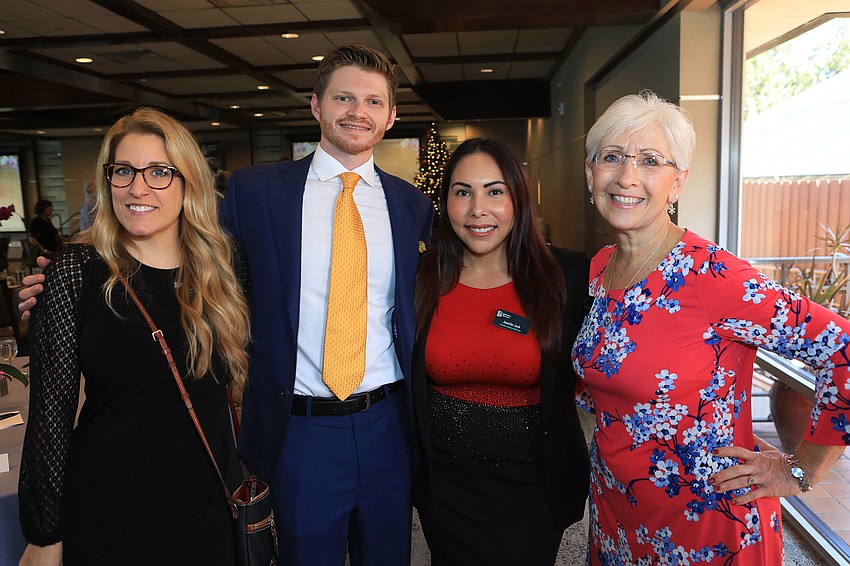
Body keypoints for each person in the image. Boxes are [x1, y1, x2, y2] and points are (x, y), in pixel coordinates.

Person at [571, 90, 850, 564]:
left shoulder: (714, 277)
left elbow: (842, 346)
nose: (626, 176)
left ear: (677, 182)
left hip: (706, 520)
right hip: (618, 506)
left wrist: (802, 470)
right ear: (590, 172)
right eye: (611, 157)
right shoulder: (601, 267)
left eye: (650, 161)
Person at [17, 107, 251, 565]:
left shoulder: (225, 268)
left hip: (209, 499)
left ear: (188, 182)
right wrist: (44, 533)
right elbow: (50, 414)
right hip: (112, 505)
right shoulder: (77, 270)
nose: (137, 187)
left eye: (159, 172)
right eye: (124, 170)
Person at [412, 138, 590, 565]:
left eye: (495, 191)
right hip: (446, 488)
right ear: (446, 202)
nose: (478, 209)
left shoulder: (568, 276)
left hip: (533, 488)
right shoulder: (420, 277)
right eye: (462, 192)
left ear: (518, 199)